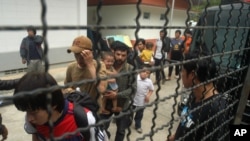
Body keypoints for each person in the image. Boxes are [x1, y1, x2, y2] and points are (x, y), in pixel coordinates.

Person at [13, 71, 106, 141]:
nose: (29, 118)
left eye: (33, 112)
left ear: (52, 104)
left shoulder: (85, 118)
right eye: (26, 111)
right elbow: (36, 136)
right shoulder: (33, 119)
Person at [168, 52, 229, 141]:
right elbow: (185, 124)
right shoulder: (194, 95)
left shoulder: (216, 109)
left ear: (192, 75)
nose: (181, 74)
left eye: (183, 70)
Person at [100, 41, 137, 141]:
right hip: (106, 104)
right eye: (118, 54)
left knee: (121, 131)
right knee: (101, 128)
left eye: (123, 55)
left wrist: (117, 95)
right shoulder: (104, 66)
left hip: (122, 106)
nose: (120, 57)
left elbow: (133, 89)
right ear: (113, 53)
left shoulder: (131, 69)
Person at [64, 35, 107, 102]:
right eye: (76, 54)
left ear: (90, 53)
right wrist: (72, 92)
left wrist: (90, 65)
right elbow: (66, 87)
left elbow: (102, 89)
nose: (78, 58)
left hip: (93, 107)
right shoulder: (71, 67)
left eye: (82, 55)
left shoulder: (99, 65)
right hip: (76, 106)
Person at [133, 66, 154, 134]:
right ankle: (126, 123)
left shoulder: (149, 81)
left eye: (147, 73)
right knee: (129, 113)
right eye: (143, 71)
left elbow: (151, 90)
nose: (145, 73)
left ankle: (138, 126)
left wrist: (148, 95)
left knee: (139, 114)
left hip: (142, 101)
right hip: (132, 100)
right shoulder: (135, 78)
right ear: (140, 71)